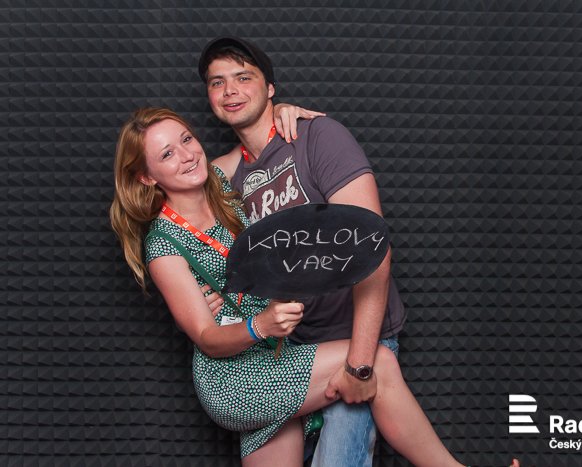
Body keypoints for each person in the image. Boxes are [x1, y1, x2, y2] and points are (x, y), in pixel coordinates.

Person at [109, 107, 519, 467]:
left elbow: (257, 135)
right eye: (167, 154)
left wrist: (283, 111)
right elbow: (206, 338)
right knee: (377, 362)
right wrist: (260, 325)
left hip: (274, 355)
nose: (186, 155)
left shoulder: (219, 181)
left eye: (186, 139)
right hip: (234, 380)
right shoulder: (164, 245)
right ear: (146, 176)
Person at [199, 36, 406, 467]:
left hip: (357, 339)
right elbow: (175, 207)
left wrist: (361, 365)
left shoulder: (317, 136)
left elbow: (372, 247)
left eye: (243, 77)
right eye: (217, 82)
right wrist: (208, 290)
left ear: (270, 87)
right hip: (291, 351)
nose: (230, 90)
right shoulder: (223, 178)